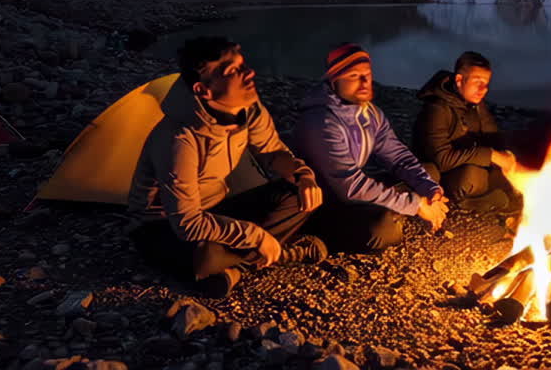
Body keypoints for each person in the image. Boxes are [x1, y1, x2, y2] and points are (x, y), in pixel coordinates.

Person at [127, 37, 327, 298]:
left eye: (243, 65)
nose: (249, 73)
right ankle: (275, 255)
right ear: (203, 90)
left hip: (215, 208)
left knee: (296, 196)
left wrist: (302, 177)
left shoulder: (248, 109)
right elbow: (187, 223)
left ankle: (237, 267)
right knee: (206, 256)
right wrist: (255, 236)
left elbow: (272, 151)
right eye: (233, 71)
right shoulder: (179, 138)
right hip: (162, 227)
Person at [290, 43, 448, 252]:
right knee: (381, 232)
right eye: (354, 76)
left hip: (355, 192)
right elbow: (350, 186)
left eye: (367, 74)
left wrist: (429, 188)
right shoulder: (322, 121)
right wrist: (415, 204)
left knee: (429, 173)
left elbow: (398, 157)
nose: (365, 82)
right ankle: (327, 234)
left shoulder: (370, 113)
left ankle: (398, 211)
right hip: (324, 202)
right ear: (335, 80)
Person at [413, 51, 518, 213]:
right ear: (459, 80)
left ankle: (483, 199)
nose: (483, 89)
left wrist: (506, 156)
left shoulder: (476, 105)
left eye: (486, 83)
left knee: (510, 173)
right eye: (477, 82)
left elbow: (493, 137)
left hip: (466, 166)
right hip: (441, 175)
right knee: (472, 176)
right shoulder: (437, 108)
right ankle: (461, 202)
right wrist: (491, 155)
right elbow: (442, 159)